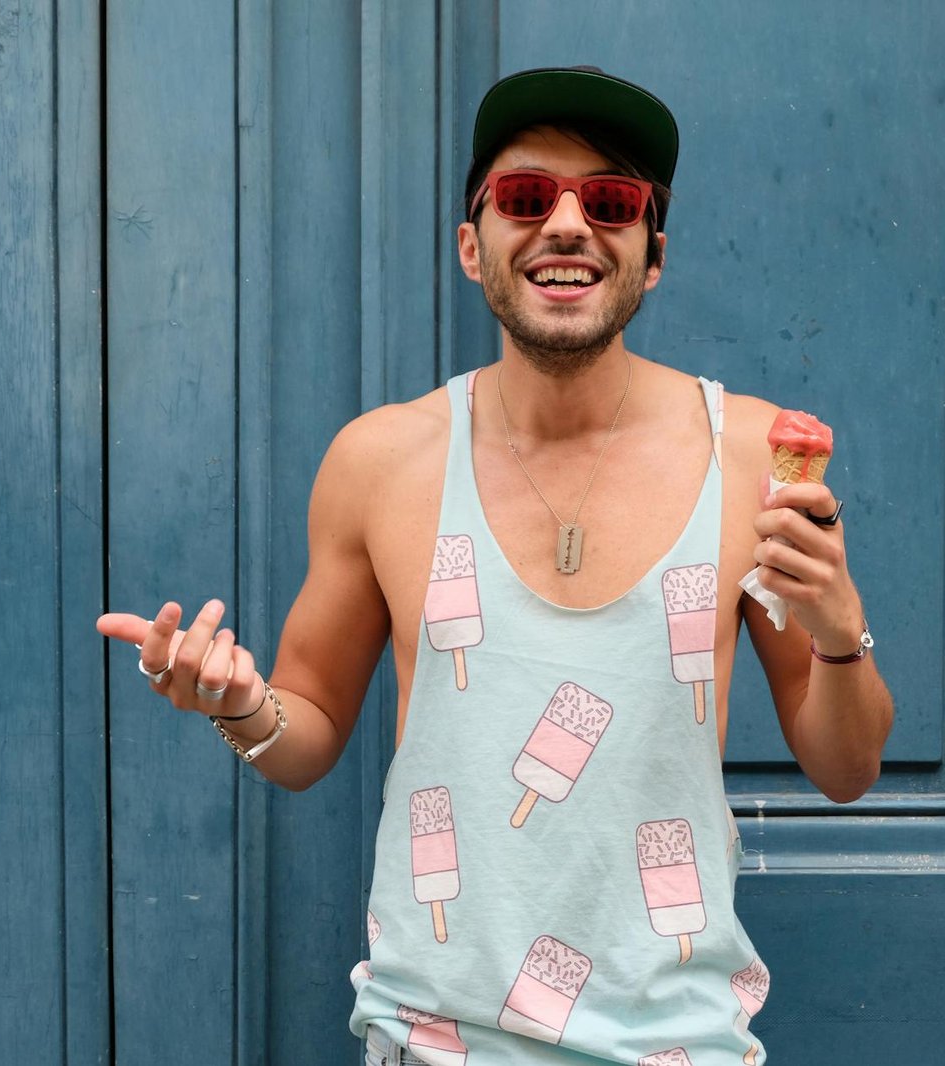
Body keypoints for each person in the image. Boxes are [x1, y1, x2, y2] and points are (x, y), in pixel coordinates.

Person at [97, 66, 892, 1066]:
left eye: (610, 201)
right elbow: (306, 739)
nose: (567, 223)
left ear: (653, 257)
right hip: (428, 1044)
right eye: (525, 197)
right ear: (475, 249)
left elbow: (846, 768)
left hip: (673, 1047)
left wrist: (837, 634)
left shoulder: (754, 458)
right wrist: (236, 703)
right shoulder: (380, 461)